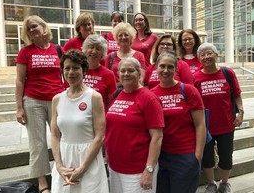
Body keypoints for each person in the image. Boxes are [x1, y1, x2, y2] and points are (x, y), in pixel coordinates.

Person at [15, 15, 64, 193]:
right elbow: (20, 80)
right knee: (38, 143)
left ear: (44, 26)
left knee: (62, 138)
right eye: (28, 28)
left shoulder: (57, 49)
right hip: (33, 100)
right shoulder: (25, 52)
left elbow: (67, 72)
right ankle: (42, 182)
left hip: (57, 99)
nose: (32, 30)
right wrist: (19, 107)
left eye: (34, 26)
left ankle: (63, 172)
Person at [50, 50, 109, 193]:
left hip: (88, 159)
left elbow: (99, 136)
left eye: (76, 68)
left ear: (84, 71)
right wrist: (59, 166)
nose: (71, 72)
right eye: (67, 68)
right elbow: (55, 135)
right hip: (64, 160)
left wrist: (83, 168)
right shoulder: (57, 99)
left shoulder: (94, 97)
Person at [105, 57, 164, 193]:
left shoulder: (149, 99)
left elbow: (157, 137)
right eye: (122, 71)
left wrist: (149, 170)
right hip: (115, 167)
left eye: (130, 70)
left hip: (138, 170)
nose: (126, 74)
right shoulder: (117, 94)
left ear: (139, 73)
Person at [150, 51, 206, 193]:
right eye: (162, 66)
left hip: (185, 156)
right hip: (161, 157)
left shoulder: (189, 91)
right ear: (156, 68)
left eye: (170, 67)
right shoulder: (152, 94)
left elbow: (200, 125)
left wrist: (197, 156)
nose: (165, 70)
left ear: (176, 69)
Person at [194, 43, 244, 193]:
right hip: (205, 126)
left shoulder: (227, 73)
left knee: (226, 156)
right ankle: (211, 183)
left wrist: (241, 112)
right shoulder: (195, 77)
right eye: (202, 55)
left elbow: (237, 94)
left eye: (209, 53)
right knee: (207, 157)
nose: (206, 57)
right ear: (199, 59)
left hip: (227, 124)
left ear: (216, 55)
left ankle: (224, 183)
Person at [82, 34, 117, 110]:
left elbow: (111, 101)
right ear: (85, 50)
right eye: (91, 47)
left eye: (98, 49)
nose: (94, 51)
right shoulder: (78, 71)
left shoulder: (109, 74)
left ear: (102, 53)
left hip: (98, 117)